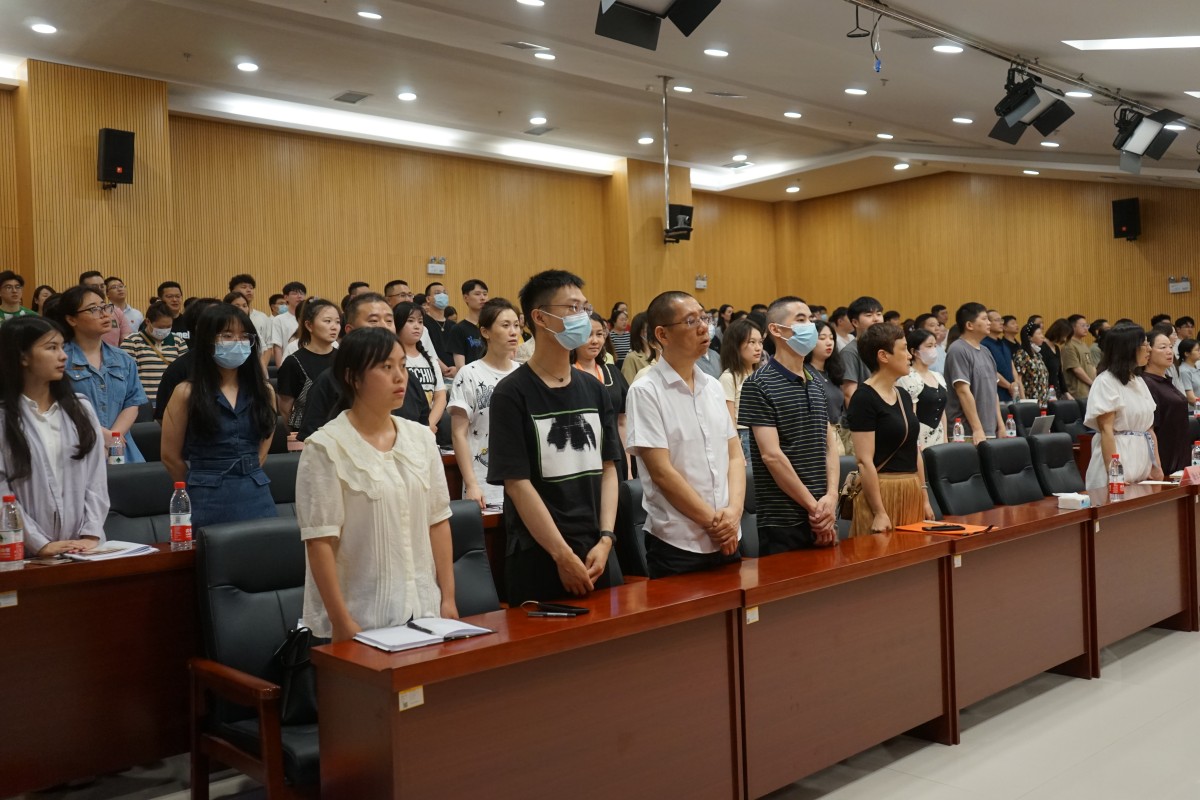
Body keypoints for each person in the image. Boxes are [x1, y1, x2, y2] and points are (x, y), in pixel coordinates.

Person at [297, 326, 457, 642]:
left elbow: (438, 521)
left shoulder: (422, 439)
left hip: (426, 611)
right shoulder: (326, 447)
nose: (400, 377)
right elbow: (320, 542)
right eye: (386, 367)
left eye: (402, 366)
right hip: (362, 618)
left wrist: (448, 599)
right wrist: (341, 621)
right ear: (353, 378)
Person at [487, 270, 621, 604]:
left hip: (598, 552)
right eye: (572, 308)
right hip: (540, 555)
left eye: (585, 308)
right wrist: (562, 555)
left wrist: (606, 539)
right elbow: (517, 484)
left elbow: (609, 468)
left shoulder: (593, 388)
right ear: (540, 317)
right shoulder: (511, 393)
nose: (582, 317)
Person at [626, 291, 744, 577]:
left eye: (704, 318)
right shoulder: (646, 391)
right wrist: (715, 524)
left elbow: (734, 455)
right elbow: (662, 472)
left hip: (728, 537)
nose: (704, 327)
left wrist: (734, 514)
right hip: (678, 544)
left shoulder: (713, 386)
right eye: (691, 321)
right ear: (662, 335)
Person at [161, 305, 278, 529]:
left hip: (256, 493)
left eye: (244, 336)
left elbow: (262, 448)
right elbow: (170, 456)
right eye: (227, 335)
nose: (237, 342)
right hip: (205, 496)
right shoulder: (185, 392)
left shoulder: (264, 391)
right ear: (207, 341)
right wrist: (201, 482)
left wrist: (246, 470)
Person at [737, 296, 839, 552]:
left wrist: (831, 497)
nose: (810, 326)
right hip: (784, 520)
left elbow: (829, 445)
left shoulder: (814, 380)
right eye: (801, 320)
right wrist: (814, 509)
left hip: (824, 513)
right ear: (776, 329)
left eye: (811, 319)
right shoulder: (758, 384)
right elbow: (772, 456)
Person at [0, 317, 106, 556]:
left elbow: (96, 479)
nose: (63, 356)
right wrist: (39, 543)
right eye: (51, 348)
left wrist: (90, 535)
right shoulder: (4, 417)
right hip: (21, 552)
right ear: (23, 357)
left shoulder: (81, 409)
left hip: (82, 549)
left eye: (62, 346)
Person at [296, 293, 430, 440]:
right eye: (373, 321)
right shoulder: (329, 381)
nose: (384, 327)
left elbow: (422, 432)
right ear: (350, 330)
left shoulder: (408, 379)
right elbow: (313, 438)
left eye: (389, 321)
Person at [847, 323, 932, 534]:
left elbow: (914, 449)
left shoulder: (903, 395)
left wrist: (924, 497)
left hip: (911, 488)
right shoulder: (863, 398)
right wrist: (879, 512)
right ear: (883, 356)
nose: (910, 355)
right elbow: (864, 461)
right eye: (903, 349)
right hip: (882, 490)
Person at [45, 286, 148, 462]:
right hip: (76, 447)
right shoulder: (59, 359)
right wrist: (100, 435)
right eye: (94, 309)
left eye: (105, 306)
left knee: (131, 477)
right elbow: (53, 406)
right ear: (71, 319)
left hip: (120, 446)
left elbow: (132, 403)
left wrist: (113, 438)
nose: (105, 314)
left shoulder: (124, 359)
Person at [449, 299, 522, 509]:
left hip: (522, 483)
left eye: (516, 325)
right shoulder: (469, 374)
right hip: (484, 484)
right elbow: (458, 434)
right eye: (505, 325)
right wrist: (472, 484)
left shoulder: (523, 373)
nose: (513, 332)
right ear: (485, 332)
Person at [1084, 324, 1161, 490]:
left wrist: (1156, 465)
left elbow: (1149, 429)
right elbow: (1106, 430)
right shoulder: (1105, 382)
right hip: (1117, 461)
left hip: (1140, 463)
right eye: (1145, 344)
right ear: (1129, 348)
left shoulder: (1138, 381)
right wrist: (1114, 473)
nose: (1149, 349)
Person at [573, 312, 631, 480]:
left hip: (615, 454)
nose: (595, 341)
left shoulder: (612, 372)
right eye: (588, 335)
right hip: (581, 456)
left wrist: (628, 467)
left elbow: (622, 422)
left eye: (599, 334)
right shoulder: (566, 375)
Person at [152, 298, 222, 422]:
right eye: (217, 322)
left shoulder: (241, 364)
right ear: (199, 327)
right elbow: (164, 418)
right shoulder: (178, 369)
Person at [944, 302, 1005, 444]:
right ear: (969, 325)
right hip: (966, 432)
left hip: (989, 430)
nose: (989, 323)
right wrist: (977, 429)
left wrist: (1001, 426)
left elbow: (993, 392)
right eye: (984, 319)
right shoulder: (958, 349)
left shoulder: (986, 351)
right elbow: (963, 391)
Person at [276, 298, 341, 429]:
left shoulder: (344, 358)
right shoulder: (294, 362)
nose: (334, 327)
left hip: (342, 429)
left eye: (337, 322)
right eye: (327, 321)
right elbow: (285, 408)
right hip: (307, 432)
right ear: (309, 325)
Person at [394, 301, 447, 437]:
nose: (417, 326)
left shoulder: (431, 361)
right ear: (397, 324)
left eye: (420, 322)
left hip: (426, 429)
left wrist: (428, 425)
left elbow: (440, 397)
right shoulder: (392, 360)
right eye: (410, 321)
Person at [120, 300, 185, 410]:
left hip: (172, 403)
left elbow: (184, 373)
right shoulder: (132, 341)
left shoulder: (178, 341)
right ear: (147, 321)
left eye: (168, 326)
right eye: (161, 327)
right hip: (143, 405)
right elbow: (127, 376)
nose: (165, 330)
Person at [1143, 328, 1189, 475]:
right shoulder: (1146, 383)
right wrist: (1156, 464)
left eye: (1170, 346)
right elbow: (1149, 428)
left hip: (1179, 451)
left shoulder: (1165, 380)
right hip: (1163, 455)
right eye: (1162, 347)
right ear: (1148, 351)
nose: (1169, 351)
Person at [719, 318, 764, 460]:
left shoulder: (761, 374)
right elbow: (729, 421)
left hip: (764, 433)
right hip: (744, 436)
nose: (758, 348)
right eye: (752, 342)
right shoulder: (728, 377)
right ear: (736, 345)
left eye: (760, 342)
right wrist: (738, 451)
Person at [897, 327, 948, 449]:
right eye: (929, 346)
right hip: (920, 436)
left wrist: (945, 437)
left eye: (935, 346)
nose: (933, 350)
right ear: (914, 351)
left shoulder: (938, 376)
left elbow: (942, 411)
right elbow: (911, 414)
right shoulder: (908, 377)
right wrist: (916, 443)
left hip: (939, 435)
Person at [805, 319, 850, 455]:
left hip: (837, 434)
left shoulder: (833, 372)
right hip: (816, 437)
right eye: (822, 338)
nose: (829, 342)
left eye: (831, 338)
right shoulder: (804, 372)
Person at [837, 295, 885, 405]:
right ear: (855, 322)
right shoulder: (850, 352)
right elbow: (849, 394)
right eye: (869, 315)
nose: (876, 319)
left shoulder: (885, 348)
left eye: (879, 314)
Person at [79, 271, 133, 348]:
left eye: (102, 286)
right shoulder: (80, 312)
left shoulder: (116, 311)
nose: (99, 289)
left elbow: (126, 341)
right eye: (94, 287)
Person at [446, 278, 489, 369]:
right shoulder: (458, 329)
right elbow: (461, 367)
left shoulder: (491, 326)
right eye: (477, 294)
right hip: (471, 376)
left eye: (485, 294)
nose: (483, 298)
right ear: (466, 298)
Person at [981, 310, 1022, 402]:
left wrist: (1015, 383)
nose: (1001, 323)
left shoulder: (1003, 343)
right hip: (996, 394)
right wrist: (1009, 386)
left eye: (1001, 320)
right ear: (988, 322)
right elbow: (990, 371)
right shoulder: (984, 344)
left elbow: (1012, 366)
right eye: (997, 320)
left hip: (1011, 394)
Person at [423, 281, 457, 379]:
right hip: (433, 373)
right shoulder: (423, 322)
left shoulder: (453, 325)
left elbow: (458, 351)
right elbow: (426, 349)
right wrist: (443, 368)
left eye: (445, 293)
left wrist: (457, 368)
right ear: (428, 299)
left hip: (455, 374)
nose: (442, 295)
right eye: (437, 293)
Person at [268, 281, 307, 366]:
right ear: (286, 297)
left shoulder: (310, 318)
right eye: (295, 293)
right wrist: (280, 369)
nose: (299, 296)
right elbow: (277, 347)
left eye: (302, 293)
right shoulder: (279, 320)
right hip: (289, 363)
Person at [1013, 321, 1051, 407]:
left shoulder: (1038, 355)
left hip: (1042, 401)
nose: (1042, 336)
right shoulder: (1022, 354)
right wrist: (1024, 401)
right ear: (1030, 338)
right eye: (1039, 334)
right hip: (1030, 401)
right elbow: (1018, 380)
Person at [1062, 314, 1096, 402]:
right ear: (1072, 327)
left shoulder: (1084, 345)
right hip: (1078, 393)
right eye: (1083, 325)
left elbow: (1092, 366)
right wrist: (1092, 383)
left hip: (1090, 391)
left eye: (1087, 325)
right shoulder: (1069, 346)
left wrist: (1095, 383)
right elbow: (1076, 369)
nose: (1086, 328)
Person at [1042, 318, 1072, 401]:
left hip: (1057, 391)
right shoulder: (1042, 347)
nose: (1065, 339)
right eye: (1065, 335)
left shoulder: (1057, 348)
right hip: (1046, 393)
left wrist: (1066, 393)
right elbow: (1043, 374)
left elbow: (1059, 373)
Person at [621, 311, 655, 384]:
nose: (652, 332)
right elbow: (628, 385)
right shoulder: (631, 358)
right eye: (648, 330)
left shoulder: (660, 353)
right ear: (639, 332)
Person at [1177, 338, 1200, 404]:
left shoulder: (1196, 367)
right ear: (1187, 353)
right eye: (1197, 350)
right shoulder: (1184, 371)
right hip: (1194, 409)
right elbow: (1191, 398)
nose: (1199, 352)